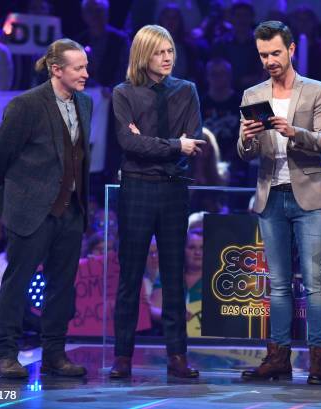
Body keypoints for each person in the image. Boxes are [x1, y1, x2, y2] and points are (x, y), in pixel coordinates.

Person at [237, 21, 321, 385]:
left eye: (276, 53)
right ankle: (277, 356)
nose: (270, 61)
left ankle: (318, 359)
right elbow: (243, 152)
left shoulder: (317, 90)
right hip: (270, 194)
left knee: (314, 283)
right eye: (264, 55)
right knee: (277, 284)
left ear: (291, 50)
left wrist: (295, 133)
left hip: (309, 195)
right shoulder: (252, 94)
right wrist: (248, 139)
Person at [0, 38, 91, 378]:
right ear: (56, 69)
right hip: (31, 210)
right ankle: (5, 354)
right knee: (17, 282)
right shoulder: (26, 105)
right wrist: (20, 190)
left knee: (62, 286)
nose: (85, 74)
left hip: (71, 210)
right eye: (78, 68)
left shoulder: (86, 104)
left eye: (86, 67)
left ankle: (54, 354)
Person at [110, 24, 205, 379]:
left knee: (174, 275)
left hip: (173, 188)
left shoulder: (187, 91)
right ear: (142, 55)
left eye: (170, 51)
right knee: (131, 275)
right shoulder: (124, 93)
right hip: (136, 188)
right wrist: (172, 144)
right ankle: (122, 356)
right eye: (159, 52)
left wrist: (151, 141)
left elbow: (193, 142)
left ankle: (177, 356)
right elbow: (127, 143)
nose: (167, 58)